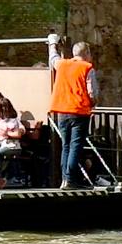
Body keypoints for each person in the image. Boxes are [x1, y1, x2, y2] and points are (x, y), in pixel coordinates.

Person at [48, 34, 97, 189]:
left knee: (66, 146)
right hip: (79, 111)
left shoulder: (62, 64)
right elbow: (92, 92)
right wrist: (93, 103)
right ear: (86, 53)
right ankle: (70, 180)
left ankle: (64, 179)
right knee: (75, 146)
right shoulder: (87, 67)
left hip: (61, 111)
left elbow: (53, 58)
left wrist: (52, 43)